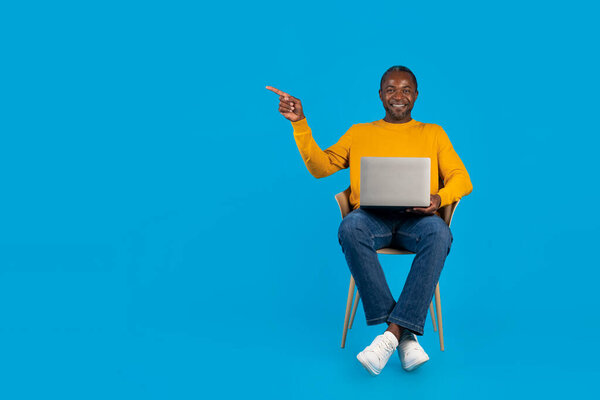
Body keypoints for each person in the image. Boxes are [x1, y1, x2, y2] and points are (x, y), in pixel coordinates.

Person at [266, 66, 473, 376]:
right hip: (371, 219)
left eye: (406, 90)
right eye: (391, 89)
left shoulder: (433, 133)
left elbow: (462, 178)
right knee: (349, 227)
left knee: (440, 233)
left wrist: (438, 200)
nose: (398, 96)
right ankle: (405, 335)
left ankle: (389, 336)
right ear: (380, 95)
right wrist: (300, 124)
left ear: (416, 96)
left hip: (417, 220)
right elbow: (320, 167)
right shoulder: (359, 132)